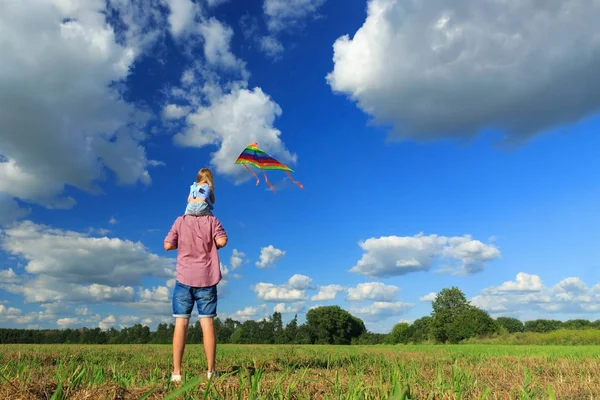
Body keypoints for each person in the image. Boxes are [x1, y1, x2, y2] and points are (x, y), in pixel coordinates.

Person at [163, 207, 228, 382]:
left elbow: (167, 245)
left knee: (181, 324)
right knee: (207, 324)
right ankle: (211, 372)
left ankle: (176, 373)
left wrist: (182, 243)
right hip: (206, 279)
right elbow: (222, 241)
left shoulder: (180, 221)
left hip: (184, 278)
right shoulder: (212, 221)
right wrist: (209, 243)